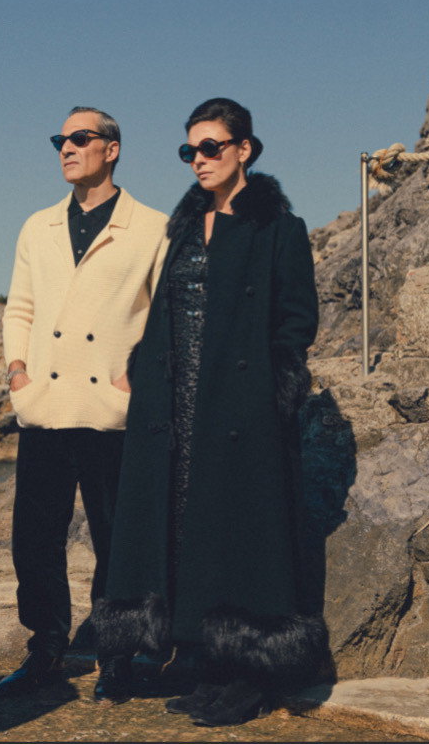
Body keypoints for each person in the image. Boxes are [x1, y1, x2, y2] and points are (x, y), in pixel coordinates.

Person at [91, 98, 328, 726]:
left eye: (210, 147)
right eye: (188, 150)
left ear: (244, 149)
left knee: (241, 531)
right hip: (176, 402)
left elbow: (297, 321)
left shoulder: (280, 228)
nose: (198, 159)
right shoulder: (184, 228)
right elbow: (163, 311)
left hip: (241, 404)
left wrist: (272, 390)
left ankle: (251, 675)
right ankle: (207, 664)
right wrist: (143, 369)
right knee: (185, 526)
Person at [0, 107, 168, 698]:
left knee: (118, 543)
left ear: (111, 149)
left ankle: (118, 657)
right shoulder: (37, 226)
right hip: (44, 406)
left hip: (113, 414)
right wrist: (17, 372)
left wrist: (136, 380)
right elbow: (19, 308)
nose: (65, 148)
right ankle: (46, 648)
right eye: (60, 140)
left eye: (79, 138)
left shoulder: (152, 227)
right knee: (34, 541)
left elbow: (166, 318)